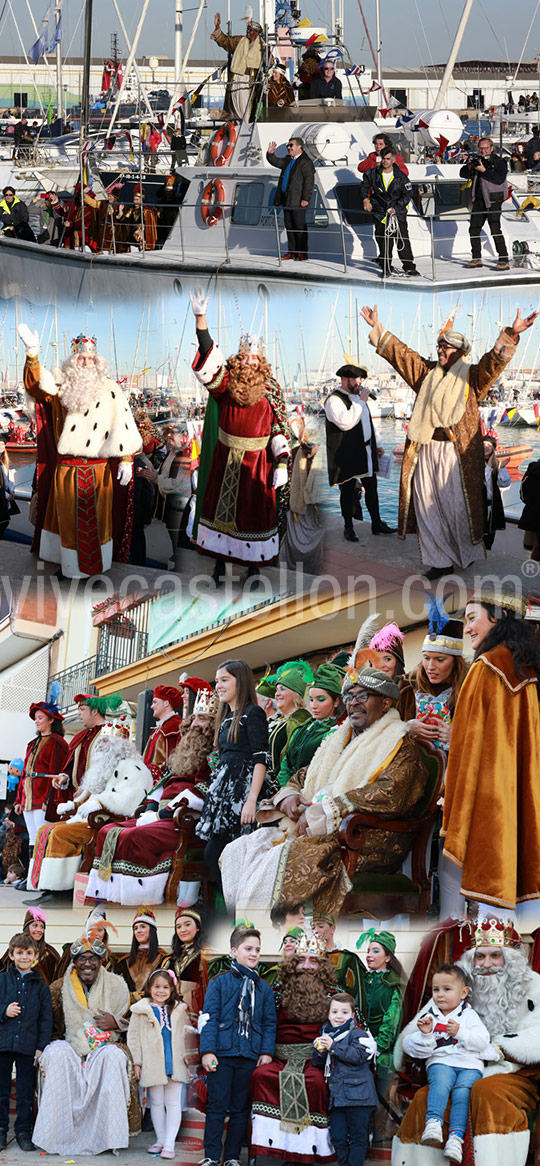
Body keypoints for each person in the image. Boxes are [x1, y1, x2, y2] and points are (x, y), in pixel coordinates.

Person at [220, 665, 429, 918]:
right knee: (239, 849)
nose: (354, 703)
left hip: (366, 837)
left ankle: (292, 937)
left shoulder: (399, 743)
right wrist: (291, 798)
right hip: (318, 827)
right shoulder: (340, 738)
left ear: (385, 703)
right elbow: (304, 775)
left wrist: (326, 811)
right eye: (350, 697)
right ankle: (248, 932)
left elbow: (391, 793)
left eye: (363, 696)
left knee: (290, 857)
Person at [360, 304, 538, 578]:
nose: (441, 350)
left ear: (461, 353)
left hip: (456, 454)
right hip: (425, 447)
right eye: (440, 346)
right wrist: (376, 328)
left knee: (457, 508)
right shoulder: (425, 372)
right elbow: (400, 354)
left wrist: (511, 334)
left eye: (447, 347)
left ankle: (464, 555)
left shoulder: (473, 377)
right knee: (424, 504)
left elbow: (494, 362)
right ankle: (439, 561)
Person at [393, 917, 540, 1166]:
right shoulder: (457, 987)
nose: (487, 965)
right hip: (454, 1068)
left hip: (514, 1073)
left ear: (510, 959)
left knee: (486, 1092)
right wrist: (419, 1040)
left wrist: (502, 1048)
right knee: (423, 1100)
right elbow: (417, 1030)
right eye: (479, 957)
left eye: (496, 955)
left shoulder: (534, 985)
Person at [440, 587, 540, 918]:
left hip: (492, 808)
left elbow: (466, 751)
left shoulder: (484, 669)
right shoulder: (532, 670)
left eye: (472, 618)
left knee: (493, 917)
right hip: (531, 800)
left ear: (498, 618)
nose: (466, 628)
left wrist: (456, 806)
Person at [18, 325, 140, 576]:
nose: (86, 362)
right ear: (73, 360)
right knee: (69, 524)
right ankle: (70, 569)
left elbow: (122, 424)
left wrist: (126, 459)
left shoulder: (111, 389)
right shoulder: (59, 386)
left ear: (97, 360)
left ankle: (94, 571)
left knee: (98, 524)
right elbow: (33, 387)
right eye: (81, 357)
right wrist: (32, 353)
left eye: (90, 357)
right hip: (67, 469)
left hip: (98, 471)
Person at [190, 288, 291, 582]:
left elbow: (278, 429)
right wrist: (201, 320)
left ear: (261, 362)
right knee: (220, 518)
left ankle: (253, 567)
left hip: (257, 464)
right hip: (225, 461)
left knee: (253, 516)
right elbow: (209, 357)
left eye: (253, 358)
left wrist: (282, 463)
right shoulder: (226, 385)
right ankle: (219, 564)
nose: (248, 362)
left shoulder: (271, 389)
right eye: (244, 357)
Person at [87, 690, 215, 906]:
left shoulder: (212, 754)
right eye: (194, 718)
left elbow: (203, 790)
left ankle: (136, 900)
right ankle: (110, 896)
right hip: (160, 816)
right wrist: (150, 808)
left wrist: (162, 814)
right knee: (108, 830)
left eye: (202, 719)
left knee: (132, 836)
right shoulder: (184, 751)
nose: (194, 725)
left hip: (183, 821)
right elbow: (162, 782)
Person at [32, 937, 137, 1155]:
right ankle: (55, 1134)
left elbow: (136, 1020)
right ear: (74, 962)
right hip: (70, 1045)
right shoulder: (59, 987)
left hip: (105, 1045)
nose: (87, 964)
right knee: (55, 1054)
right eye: (82, 959)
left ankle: (108, 1136)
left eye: (93, 959)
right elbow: (45, 1019)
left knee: (114, 1058)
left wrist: (115, 1022)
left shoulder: (118, 986)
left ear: (101, 962)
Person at [249, 934, 335, 1162]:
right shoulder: (276, 992)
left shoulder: (334, 995)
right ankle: (269, 1151)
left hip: (316, 1060)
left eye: (313, 960)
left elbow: (350, 1029)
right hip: (278, 1058)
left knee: (316, 1083)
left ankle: (306, 1152)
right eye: (301, 960)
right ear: (292, 963)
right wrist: (266, 1053)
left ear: (322, 965)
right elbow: (264, 1025)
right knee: (260, 1075)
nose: (306, 966)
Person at [402, 963, 496, 1164]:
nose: (440, 995)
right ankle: (433, 1122)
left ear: (463, 993)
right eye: (436, 990)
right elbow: (413, 1046)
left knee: (463, 1093)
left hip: (470, 1065)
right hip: (442, 1061)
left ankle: (455, 1137)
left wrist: (460, 1032)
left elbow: (482, 1040)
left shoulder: (470, 1015)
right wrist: (425, 1035)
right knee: (441, 1083)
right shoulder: (429, 1015)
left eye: (447, 989)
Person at [199, 924, 277, 1166]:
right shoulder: (219, 982)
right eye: (248, 948)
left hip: (249, 1055)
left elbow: (268, 1022)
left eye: (257, 950)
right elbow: (208, 1018)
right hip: (221, 1053)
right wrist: (208, 1051)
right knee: (216, 1106)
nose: (254, 954)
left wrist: (266, 1052)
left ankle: (232, 1157)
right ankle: (212, 1156)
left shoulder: (263, 988)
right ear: (234, 950)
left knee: (241, 1109)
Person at [195, 658, 269, 897]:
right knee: (218, 854)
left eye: (225, 680)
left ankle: (238, 908)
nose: (219, 686)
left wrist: (251, 800)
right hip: (225, 795)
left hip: (243, 793)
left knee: (224, 853)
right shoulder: (226, 716)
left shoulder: (253, 713)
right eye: (217, 681)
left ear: (241, 682)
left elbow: (261, 758)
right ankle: (234, 906)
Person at [324, 360, 394, 542]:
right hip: (346, 454)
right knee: (347, 490)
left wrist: (377, 443)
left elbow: (367, 424)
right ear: (344, 379)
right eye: (356, 380)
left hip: (365, 451)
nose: (359, 383)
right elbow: (346, 422)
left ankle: (376, 523)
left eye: (361, 379)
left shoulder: (358, 400)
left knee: (372, 488)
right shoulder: (334, 400)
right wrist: (361, 402)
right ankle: (348, 527)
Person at [0, 931, 53, 1152]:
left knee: (24, 1091)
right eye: (19, 952)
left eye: (28, 953)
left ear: (36, 956)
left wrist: (40, 1046)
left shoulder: (41, 987)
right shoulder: (2, 980)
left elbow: (45, 1019)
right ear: (11, 955)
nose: (24, 957)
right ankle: (1, 1130)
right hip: (3, 1044)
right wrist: (4, 1010)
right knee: (2, 1091)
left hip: (28, 1047)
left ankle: (23, 1131)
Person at [127, 968, 189, 1159]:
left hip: (175, 1061)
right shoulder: (141, 1011)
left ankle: (169, 1144)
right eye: (156, 987)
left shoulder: (179, 1009)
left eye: (165, 987)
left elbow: (188, 1035)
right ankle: (160, 1140)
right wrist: (137, 1062)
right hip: (153, 1063)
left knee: (172, 1103)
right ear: (149, 988)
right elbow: (134, 1039)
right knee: (155, 1102)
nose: (160, 991)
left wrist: (189, 1056)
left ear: (172, 989)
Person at [312, 992, 378, 1166]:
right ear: (328, 1014)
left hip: (359, 1095)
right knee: (338, 1137)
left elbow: (358, 1056)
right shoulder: (326, 1033)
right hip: (338, 1096)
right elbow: (319, 1064)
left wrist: (333, 1047)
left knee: (357, 1136)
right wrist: (319, 1052)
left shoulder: (359, 1034)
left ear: (352, 1015)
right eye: (334, 1012)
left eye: (344, 1012)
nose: (339, 1016)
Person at [355, 929, 406, 1135]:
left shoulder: (395, 985)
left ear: (387, 957)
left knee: (380, 1096)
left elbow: (392, 1019)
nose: (369, 955)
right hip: (360, 1048)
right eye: (368, 951)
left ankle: (377, 1138)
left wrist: (378, 1046)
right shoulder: (361, 981)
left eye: (375, 951)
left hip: (382, 1052)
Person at [398, 604, 466, 753]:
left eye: (440, 660)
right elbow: (383, 730)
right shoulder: (406, 686)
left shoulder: (470, 688)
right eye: (426, 658)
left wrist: (457, 738)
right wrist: (407, 727)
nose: (430, 667)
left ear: (456, 662)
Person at [275, 664, 343, 789]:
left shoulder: (337, 731)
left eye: (321, 699)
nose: (313, 706)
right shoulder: (303, 728)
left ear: (336, 702)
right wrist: (283, 790)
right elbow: (286, 763)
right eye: (311, 699)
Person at [14, 700, 69, 849]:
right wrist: (19, 799)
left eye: (40, 718)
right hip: (28, 797)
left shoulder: (57, 742)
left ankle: (40, 871)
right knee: (32, 837)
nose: (36, 722)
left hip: (43, 798)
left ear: (51, 720)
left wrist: (49, 800)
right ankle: (33, 871)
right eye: (36, 718)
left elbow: (56, 773)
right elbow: (25, 773)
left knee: (42, 838)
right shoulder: (32, 744)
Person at [360, 147, 419, 277]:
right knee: (384, 242)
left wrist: (396, 208)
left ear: (393, 160)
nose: (385, 161)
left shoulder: (401, 177)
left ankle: (409, 267)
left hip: (397, 215)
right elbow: (364, 185)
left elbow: (408, 194)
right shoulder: (372, 174)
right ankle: (386, 268)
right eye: (383, 159)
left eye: (388, 159)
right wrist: (366, 200)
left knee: (402, 240)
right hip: (380, 213)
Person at [459, 137, 509, 269]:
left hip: (493, 200)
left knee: (495, 229)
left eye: (485, 148)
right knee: (474, 229)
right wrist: (470, 165)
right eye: (480, 148)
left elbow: (499, 179)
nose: (483, 151)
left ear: (492, 148)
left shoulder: (499, 162)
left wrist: (484, 171)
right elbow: (462, 174)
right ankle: (476, 258)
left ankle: (503, 260)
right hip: (479, 200)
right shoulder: (477, 160)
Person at [266, 136, 315, 261]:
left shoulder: (305, 162)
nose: (288, 147)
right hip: (287, 200)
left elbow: (309, 183)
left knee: (300, 227)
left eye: (291, 145)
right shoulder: (288, 160)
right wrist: (270, 154)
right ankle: (292, 252)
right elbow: (277, 162)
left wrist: (305, 199)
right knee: (290, 226)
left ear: (299, 147)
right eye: (288, 145)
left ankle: (302, 254)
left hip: (298, 201)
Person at [211, 12, 264, 121]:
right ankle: (236, 124)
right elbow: (226, 41)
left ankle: (245, 124)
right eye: (247, 30)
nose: (248, 32)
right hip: (236, 78)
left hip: (250, 81)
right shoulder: (240, 41)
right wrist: (217, 27)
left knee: (247, 106)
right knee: (235, 105)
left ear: (256, 33)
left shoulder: (262, 46)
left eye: (250, 30)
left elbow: (269, 62)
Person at [162, 907, 209, 1021]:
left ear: (197, 927)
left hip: (195, 1013)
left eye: (187, 924)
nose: (182, 930)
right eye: (178, 927)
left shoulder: (205, 956)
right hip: (171, 1013)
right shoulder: (169, 959)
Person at [115, 909, 168, 996]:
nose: (138, 931)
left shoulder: (163, 959)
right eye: (136, 928)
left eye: (143, 926)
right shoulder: (124, 961)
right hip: (128, 1007)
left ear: (152, 930)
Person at [0, 908, 59, 984]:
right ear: (26, 927)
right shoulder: (15, 948)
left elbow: (57, 979)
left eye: (42, 927)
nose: (39, 930)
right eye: (35, 925)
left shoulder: (50, 953)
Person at [142, 685, 184, 782]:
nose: (152, 706)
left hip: (161, 783)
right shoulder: (159, 728)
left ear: (166, 703)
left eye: (155, 702)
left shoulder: (175, 726)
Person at [482, 433, 511, 550]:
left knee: (489, 537)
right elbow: (482, 482)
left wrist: (502, 468)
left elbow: (505, 483)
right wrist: (488, 468)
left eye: (489, 444)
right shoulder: (474, 464)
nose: (486, 447)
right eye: (483, 444)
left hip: (492, 507)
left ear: (493, 447)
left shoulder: (496, 463)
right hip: (479, 507)